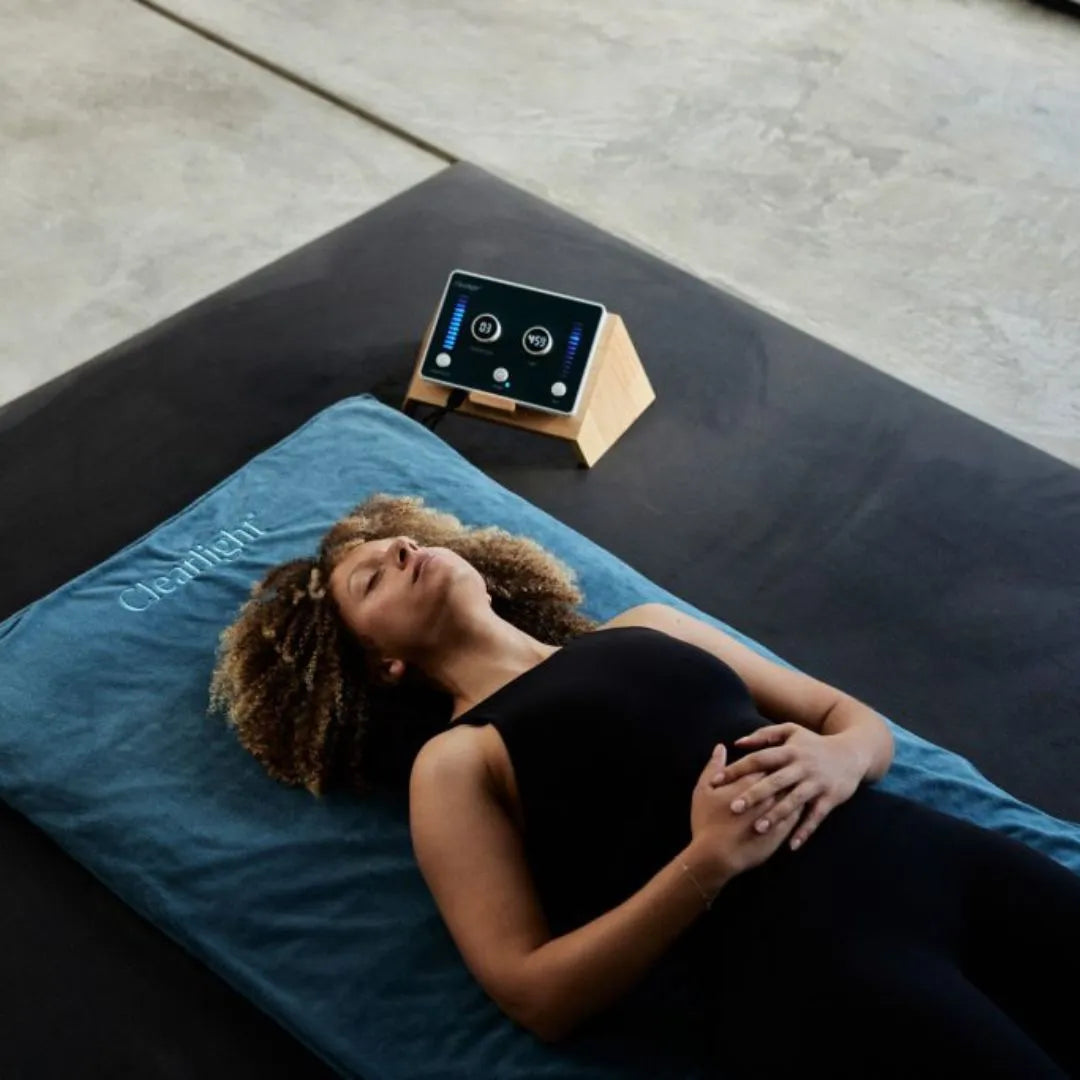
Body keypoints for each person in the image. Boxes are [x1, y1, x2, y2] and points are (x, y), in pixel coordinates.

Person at [208, 493, 1080, 1078]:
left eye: (403, 540)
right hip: (817, 966)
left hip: (939, 861)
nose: (402, 548)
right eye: (371, 577)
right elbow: (534, 993)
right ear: (383, 665)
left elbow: (841, 713)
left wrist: (841, 757)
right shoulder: (457, 761)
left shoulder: (646, 624)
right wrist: (708, 862)